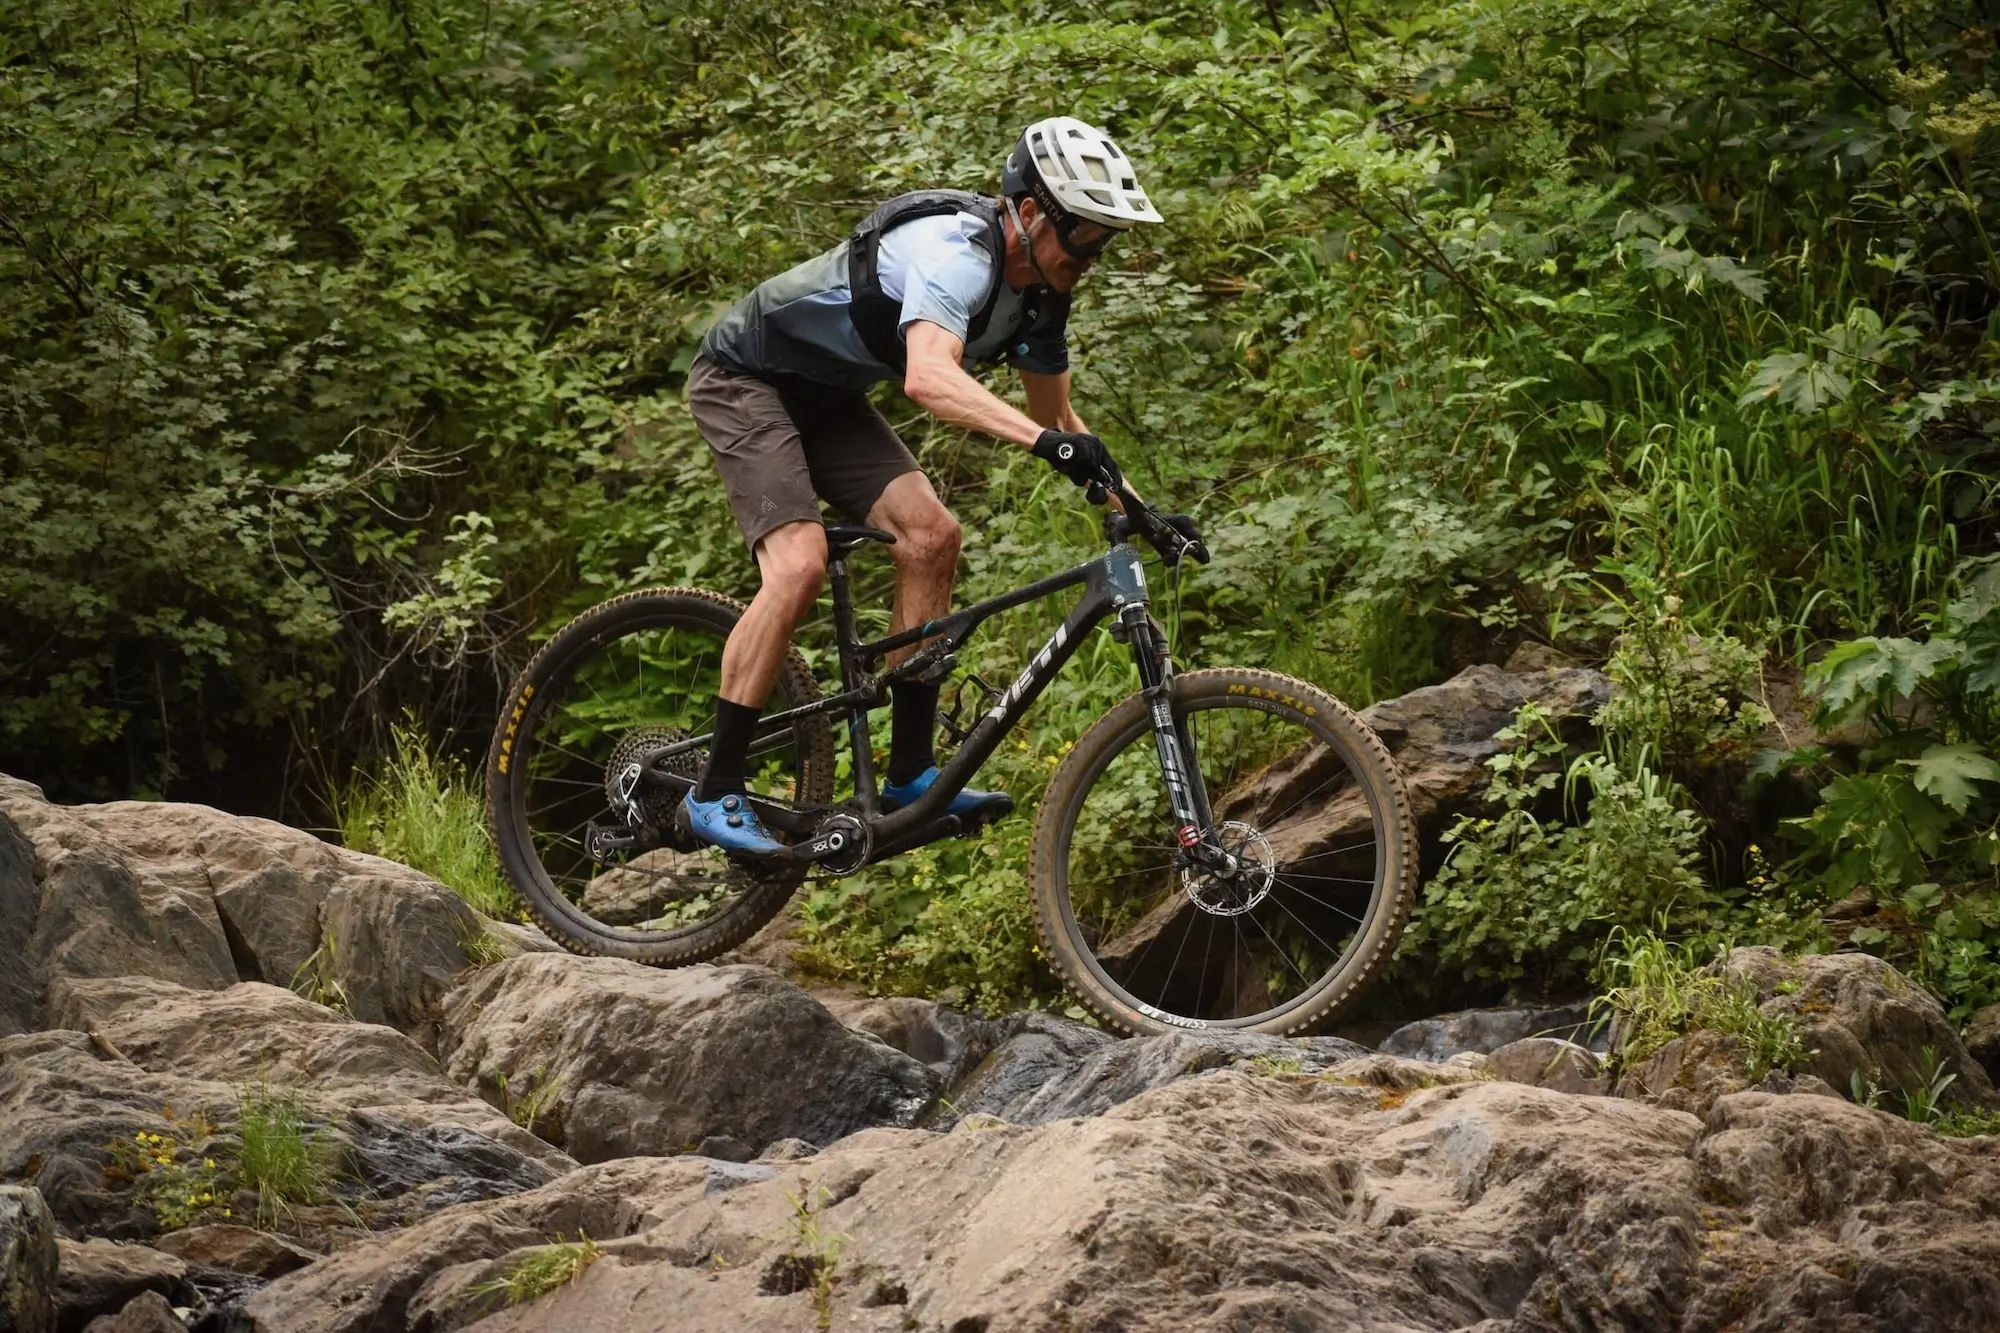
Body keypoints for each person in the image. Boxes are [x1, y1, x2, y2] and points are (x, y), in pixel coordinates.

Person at [680, 116, 1200, 854]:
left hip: (827, 397)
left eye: (1103, 236)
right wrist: (1047, 444)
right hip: (746, 377)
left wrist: (1145, 513)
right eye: (1083, 231)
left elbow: (1058, 418)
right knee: (797, 564)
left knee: (931, 537)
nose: (1094, 251)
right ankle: (715, 788)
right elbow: (929, 375)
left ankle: (909, 775)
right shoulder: (955, 251)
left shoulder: (1042, 296)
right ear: (1028, 213)